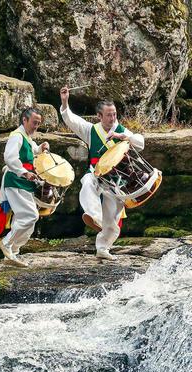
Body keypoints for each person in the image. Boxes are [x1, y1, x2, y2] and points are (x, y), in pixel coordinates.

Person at [59, 86, 144, 261]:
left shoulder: (121, 130)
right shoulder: (91, 130)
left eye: (114, 114)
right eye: (108, 114)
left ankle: (103, 248)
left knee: (113, 215)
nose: (112, 118)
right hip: (97, 175)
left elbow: (141, 143)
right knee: (87, 182)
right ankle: (93, 216)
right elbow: (71, 120)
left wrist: (125, 137)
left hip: (117, 180)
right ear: (99, 116)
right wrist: (65, 101)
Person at [0, 107, 50, 267]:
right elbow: (10, 157)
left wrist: (41, 148)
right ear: (24, 120)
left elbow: (32, 151)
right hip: (15, 180)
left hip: (25, 181)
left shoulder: (27, 137)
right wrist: (23, 172)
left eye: (38, 123)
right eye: (34, 122)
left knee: (27, 218)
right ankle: (6, 244)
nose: (36, 126)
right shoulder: (16, 136)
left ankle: (13, 252)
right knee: (30, 216)